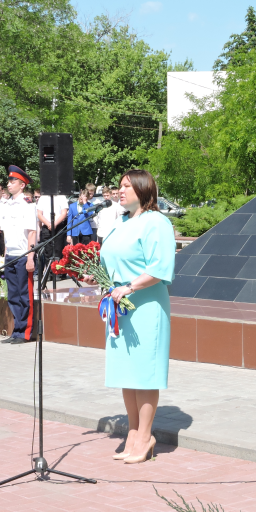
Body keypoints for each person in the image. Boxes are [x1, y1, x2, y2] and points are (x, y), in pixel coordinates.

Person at [89, 169, 175, 464]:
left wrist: (130, 287)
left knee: (144, 372)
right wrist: (98, 278)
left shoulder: (156, 222)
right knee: (127, 372)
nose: (120, 190)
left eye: (126, 186)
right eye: (119, 186)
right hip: (120, 307)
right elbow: (112, 261)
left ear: (143, 189)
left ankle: (145, 436)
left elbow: (160, 267)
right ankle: (133, 431)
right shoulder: (120, 222)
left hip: (146, 306)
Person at [0, 166, 37, 344]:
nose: (9, 184)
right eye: (9, 181)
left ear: (22, 185)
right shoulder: (7, 205)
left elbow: (31, 232)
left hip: (23, 255)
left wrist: (30, 257)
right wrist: (4, 257)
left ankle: (25, 333)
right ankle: (16, 330)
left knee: (24, 295)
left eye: (12, 181)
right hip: (10, 256)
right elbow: (7, 234)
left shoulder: (27, 205)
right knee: (13, 295)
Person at [36, 191, 69, 282]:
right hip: (47, 226)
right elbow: (39, 214)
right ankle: (49, 272)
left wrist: (55, 223)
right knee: (48, 251)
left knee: (58, 250)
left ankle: (58, 272)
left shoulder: (61, 196)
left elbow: (64, 213)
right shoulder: (43, 197)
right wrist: (48, 224)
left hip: (59, 226)